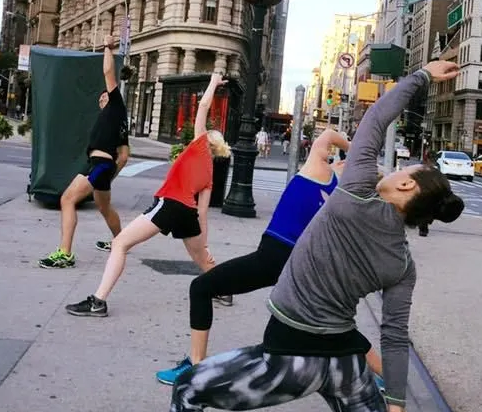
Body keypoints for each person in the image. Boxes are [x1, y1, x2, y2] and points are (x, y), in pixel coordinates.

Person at [124, 62, 482, 412]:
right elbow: (395, 337)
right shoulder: (401, 262)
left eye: (402, 171)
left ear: (406, 191)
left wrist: (422, 75)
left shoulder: (358, 189)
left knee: (188, 390)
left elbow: (377, 117)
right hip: (346, 367)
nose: (392, 169)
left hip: (291, 358)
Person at [154, 128, 384, 386]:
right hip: (303, 266)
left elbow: (329, 134)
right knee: (333, 325)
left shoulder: (320, 171)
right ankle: (385, 376)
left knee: (201, 287)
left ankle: (196, 369)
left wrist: (354, 149)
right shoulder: (344, 197)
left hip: (274, 255)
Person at [65, 72, 230, 317]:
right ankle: (224, 290)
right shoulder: (209, 174)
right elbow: (202, 212)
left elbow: (204, 105)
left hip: (169, 204)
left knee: (120, 243)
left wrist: (214, 83)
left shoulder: (199, 143)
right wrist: (203, 242)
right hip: (188, 213)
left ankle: (98, 301)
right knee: (201, 257)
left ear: (207, 139)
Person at [39, 36, 130, 270]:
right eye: (100, 97)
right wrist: (109, 175)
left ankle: (65, 253)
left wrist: (107, 47)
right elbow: (124, 155)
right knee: (104, 207)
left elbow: (109, 71)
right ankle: (121, 241)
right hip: (102, 166)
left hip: (99, 164)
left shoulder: (115, 106)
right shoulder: (116, 120)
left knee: (67, 199)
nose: (101, 98)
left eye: (104, 95)